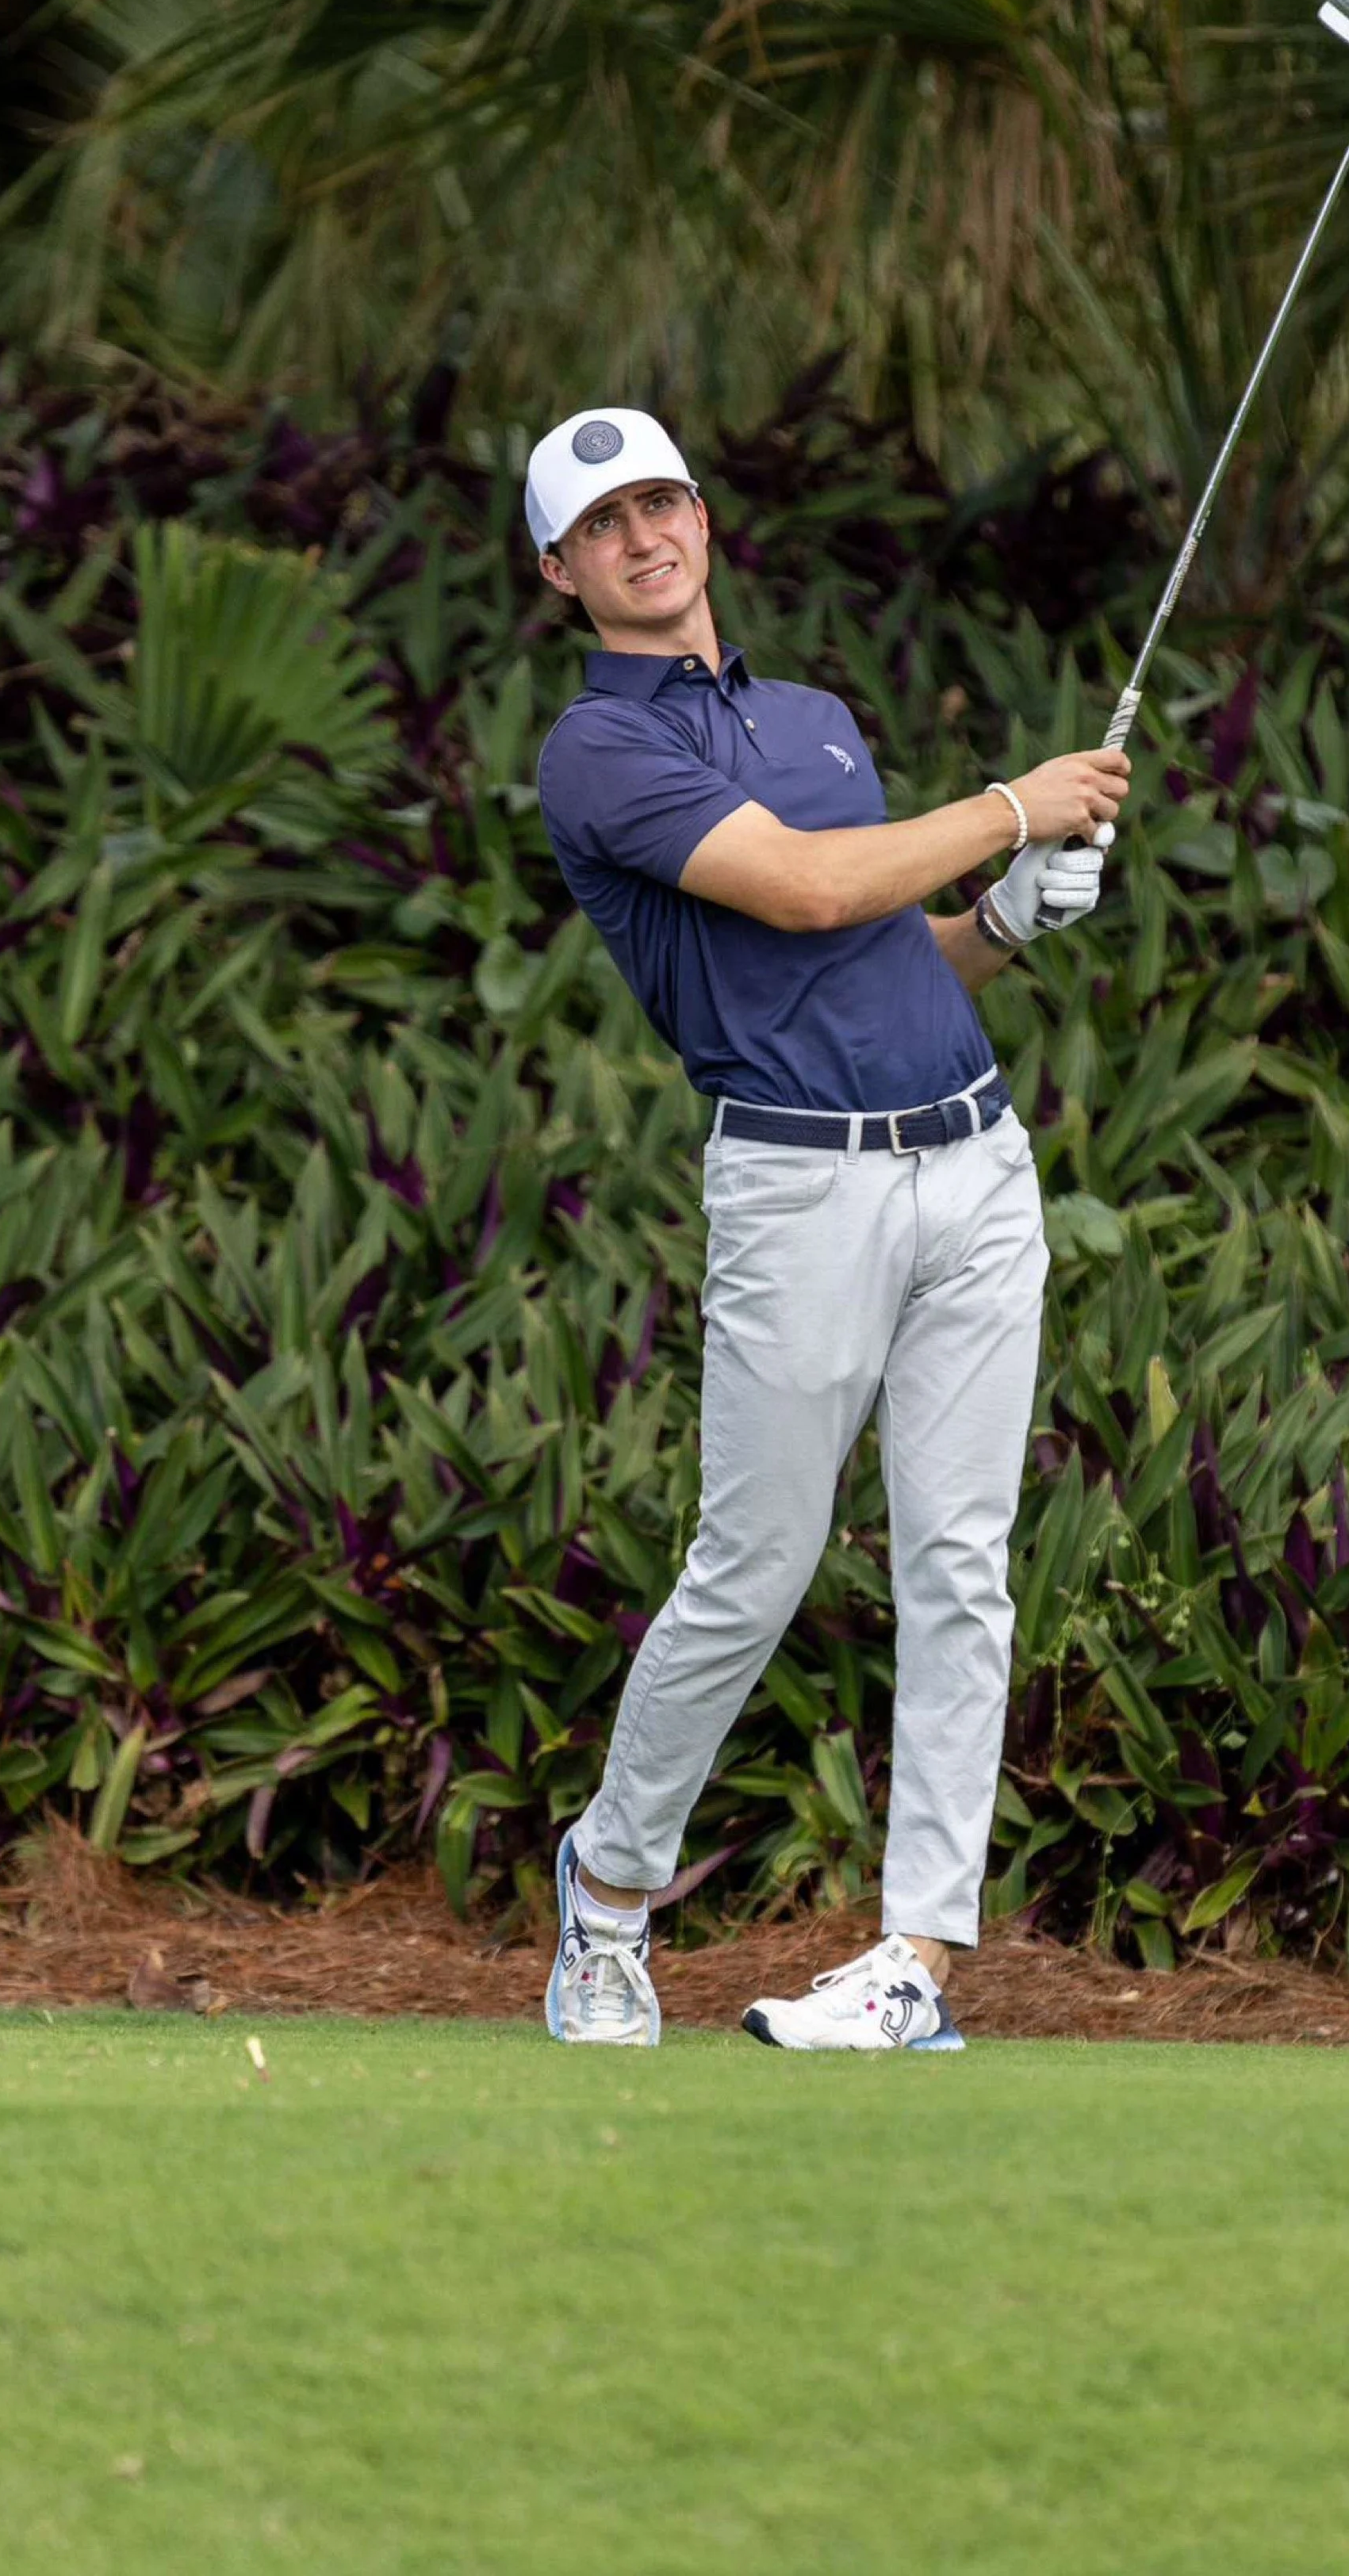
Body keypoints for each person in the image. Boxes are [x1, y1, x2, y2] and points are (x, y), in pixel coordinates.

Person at [527, 406, 1129, 2050]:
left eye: (662, 502)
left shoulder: (811, 717)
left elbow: (884, 957)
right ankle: (612, 1896)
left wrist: (1004, 918)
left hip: (974, 1163)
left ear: (703, 522)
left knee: (960, 1567)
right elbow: (798, 891)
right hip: (797, 1184)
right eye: (604, 523)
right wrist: (1012, 806)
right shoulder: (598, 752)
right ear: (559, 569)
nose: (643, 536)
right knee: (754, 1566)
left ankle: (919, 1962)